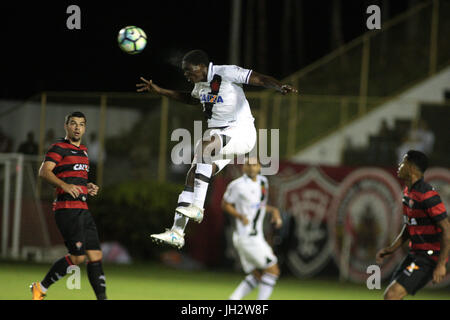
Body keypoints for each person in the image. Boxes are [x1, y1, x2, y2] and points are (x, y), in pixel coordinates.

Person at [136, 49, 297, 248]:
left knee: (205, 146)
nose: (187, 75)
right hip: (219, 136)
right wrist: (161, 91)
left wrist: (279, 86)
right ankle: (177, 232)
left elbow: (259, 79)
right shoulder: (199, 85)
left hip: (241, 132)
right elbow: (192, 99)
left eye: (189, 71)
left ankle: (197, 207)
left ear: (202, 67)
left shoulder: (226, 72)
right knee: (193, 173)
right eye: (185, 72)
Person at [30, 111, 107, 300]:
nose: (77, 127)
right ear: (66, 126)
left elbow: (77, 179)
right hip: (67, 209)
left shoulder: (84, 151)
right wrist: (64, 185)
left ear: (85, 128)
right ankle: (40, 287)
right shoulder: (59, 147)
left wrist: (88, 187)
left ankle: (103, 299)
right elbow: (44, 171)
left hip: (83, 209)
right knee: (77, 257)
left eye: (81, 124)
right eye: (73, 123)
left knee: (95, 254)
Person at [376, 150, 450, 300]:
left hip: (429, 258)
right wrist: (391, 249)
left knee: (392, 295)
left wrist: (441, 264)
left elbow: (447, 229)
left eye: (403, 162)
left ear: (410, 167)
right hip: (414, 255)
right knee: (391, 295)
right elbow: (409, 226)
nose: (399, 165)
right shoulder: (408, 193)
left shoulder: (428, 195)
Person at [221, 157, 282, 300]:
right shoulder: (237, 185)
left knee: (257, 275)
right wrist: (239, 215)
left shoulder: (263, 182)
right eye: (248, 164)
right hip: (247, 237)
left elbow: (258, 205)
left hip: (256, 236)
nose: (251, 167)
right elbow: (225, 204)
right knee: (273, 271)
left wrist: (273, 210)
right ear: (243, 167)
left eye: (255, 164)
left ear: (259, 167)